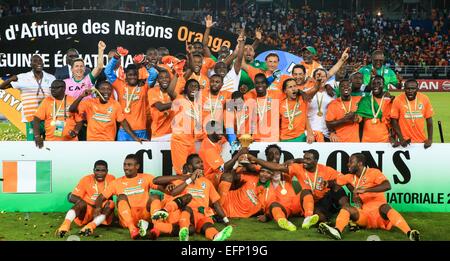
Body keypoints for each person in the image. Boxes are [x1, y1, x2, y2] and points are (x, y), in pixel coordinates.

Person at [319, 153, 420, 241]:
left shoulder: (374, 172)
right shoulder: (350, 177)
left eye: (351, 162)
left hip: (380, 212)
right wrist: (326, 183)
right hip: (365, 216)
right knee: (346, 208)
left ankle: (409, 233)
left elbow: (387, 185)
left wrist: (366, 190)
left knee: (386, 207)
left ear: (360, 163)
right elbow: (335, 182)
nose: (348, 164)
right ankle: (337, 231)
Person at [247, 149, 349, 226]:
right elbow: (278, 167)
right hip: (312, 202)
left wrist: (328, 183)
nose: (304, 161)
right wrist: (256, 159)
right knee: (318, 215)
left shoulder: (326, 170)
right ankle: (322, 222)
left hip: (325, 198)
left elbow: (345, 179)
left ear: (316, 161)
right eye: (304, 158)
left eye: (308, 159)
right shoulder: (298, 168)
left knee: (337, 188)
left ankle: (348, 210)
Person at [93, 154, 164, 239]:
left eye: (129, 165)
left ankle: (157, 229)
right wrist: (98, 208)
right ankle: (132, 229)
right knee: (121, 197)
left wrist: (170, 187)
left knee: (155, 196)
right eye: (124, 165)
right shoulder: (116, 182)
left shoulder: (146, 177)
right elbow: (100, 198)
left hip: (145, 215)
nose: (126, 167)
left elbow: (163, 188)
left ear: (137, 166)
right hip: (128, 218)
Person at [169, 154, 233, 241]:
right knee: (187, 209)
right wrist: (190, 179)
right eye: (198, 163)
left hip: (202, 214)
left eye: (202, 162)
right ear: (190, 166)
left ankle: (216, 236)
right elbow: (173, 193)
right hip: (187, 214)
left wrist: (227, 221)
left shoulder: (207, 182)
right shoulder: (182, 180)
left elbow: (216, 204)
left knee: (207, 224)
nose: (202, 164)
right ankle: (184, 233)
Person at [104, 47, 158, 141]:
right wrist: (116, 56)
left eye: (134, 75)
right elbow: (107, 71)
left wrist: (144, 62)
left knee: (139, 156)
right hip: (123, 130)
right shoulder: (120, 84)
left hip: (141, 129)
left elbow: (153, 74)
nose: (132, 77)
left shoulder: (143, 86)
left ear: (138, 75)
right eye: (130, 75)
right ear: (125, 75)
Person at [0, 54, 56, 141]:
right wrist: (10, 79)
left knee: (50, 143)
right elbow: (2, 87)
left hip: (48, 118)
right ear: (31, 64)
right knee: (32, 146)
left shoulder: (51, 78)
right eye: (35, 61)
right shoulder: (22, 77)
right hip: (30, 118)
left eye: (40, 61)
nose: (38, 63)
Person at [56, 160, 115, 237]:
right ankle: (65, 226)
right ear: (93, 170)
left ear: (107, 171)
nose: (100, 173)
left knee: (111, 203)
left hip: (101, 212)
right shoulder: (86, 179)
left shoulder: (112, 179)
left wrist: (99, 207)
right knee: (81, 202)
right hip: (86, 212)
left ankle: (90, 227)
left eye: (103, 170)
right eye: (97, 170)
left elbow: (111, 197)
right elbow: (72, 197)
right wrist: (94, 206)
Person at [68, 81, 142, 142]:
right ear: (97, 91)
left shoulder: (115, 104)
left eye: (109, 89)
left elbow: (123, 122)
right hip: (92, 141)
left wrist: (135, 137)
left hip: (108, 141)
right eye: (103, 89)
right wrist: (81, 96)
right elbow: (72, 109)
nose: (106, 91)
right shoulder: (89, 103)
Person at [33, 80, 80, 148]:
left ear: (64, 88)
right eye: (52, 88)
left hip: (71, 142)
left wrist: (76, 131)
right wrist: (37, 136)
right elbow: (36, 119)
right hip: (51, 142)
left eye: (56, 88)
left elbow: (79, 120)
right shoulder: (47, 101)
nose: (53, 90)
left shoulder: (72, 101)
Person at [170, 79, 202, 175]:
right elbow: (170, 91)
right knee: (182, 172)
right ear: (185, 89)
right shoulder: (180, 99)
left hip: (191, 142)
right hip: (180, 141)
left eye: (196, 86)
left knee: (191, 171)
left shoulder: (198, 103)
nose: (194, 88)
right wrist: (177, 74)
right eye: (191, 86)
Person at [390, 79, 433, 149]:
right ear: (404, 89)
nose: (410, 91)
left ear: (417, 89)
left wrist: (430, 139)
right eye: (408, 89)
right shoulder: (398, 99)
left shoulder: (424, 99)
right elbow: (393, 120)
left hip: (421, 141)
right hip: (404, 141)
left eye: (413, 89)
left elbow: (429, 120)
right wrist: (400, 138)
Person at [243, 73, 282, 141]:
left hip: (273, 138)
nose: (260, 85)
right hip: (256, 139)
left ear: (267, 84)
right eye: (257, 83)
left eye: (262, 83)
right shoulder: (248, 96)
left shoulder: (276, 94)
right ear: (254, 84)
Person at [356, 75, 394, 142]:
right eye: (373, 83)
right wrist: (353, 117)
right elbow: (359, 119)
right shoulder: (365, 100)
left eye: (379, 83)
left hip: (385, 140)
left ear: (383, 85)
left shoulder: (389, 101)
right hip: (367, 140)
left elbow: (393, 121)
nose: (376, 85)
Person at [147, 70, 177, 141]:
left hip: (171, 133)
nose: (164, 79)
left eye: (167, 77)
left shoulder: (174, 92)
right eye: (161, 77)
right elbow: (160, 107)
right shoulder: (152, 91)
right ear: (157, 80)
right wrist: (178, 102)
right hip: (158, 133)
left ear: (170, 79)